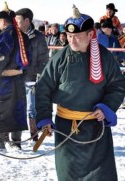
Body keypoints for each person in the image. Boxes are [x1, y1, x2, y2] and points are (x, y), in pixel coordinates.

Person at [35, 5, 125, 181]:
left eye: (77, 37)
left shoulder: (105, 57)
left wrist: (107, 107)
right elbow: (43, 88)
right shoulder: (59, 59)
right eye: (69, 36)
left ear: (90, 34)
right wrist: (45, 117)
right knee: (69, 175)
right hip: (66, 129)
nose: (72, 41)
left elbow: (118, 85)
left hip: (96, 129)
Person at [0, 2, 31, 150]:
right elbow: (29, 61)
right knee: (18, 107)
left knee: (2, 108)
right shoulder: (24, 36)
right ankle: (16, 141)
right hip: (20, 78)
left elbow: (0, 59)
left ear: (2, 21)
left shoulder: (4, 35)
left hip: (4, 80)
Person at [15, 8, 49, 144]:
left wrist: (38, 76)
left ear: (27, 21)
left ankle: (34, 135)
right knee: (16, 107)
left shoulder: (38, 37)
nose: (16, 23)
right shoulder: (15, 36)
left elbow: (44, 59)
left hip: (31, 79)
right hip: (15, 78)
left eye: (18, 20)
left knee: (31, 108)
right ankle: (15, 140)